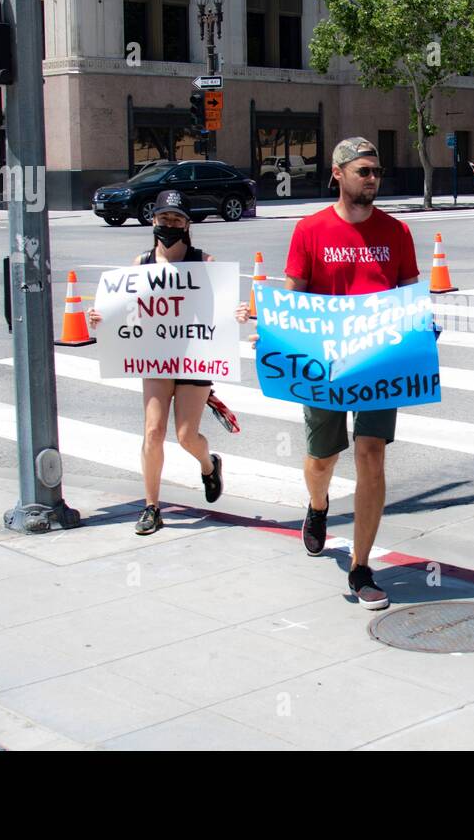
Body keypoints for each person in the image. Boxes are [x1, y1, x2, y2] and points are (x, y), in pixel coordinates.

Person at [238, 137, 419, 610]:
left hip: (379, 362)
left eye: (375, 171)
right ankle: (318, 506)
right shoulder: (310, 230)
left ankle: (360, 567)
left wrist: (422, 331)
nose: (372, 179)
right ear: (337, 174)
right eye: (363, 171)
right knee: (322, 458)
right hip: (324, 361)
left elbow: (409, 297)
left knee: (371, 454)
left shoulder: (397, 233)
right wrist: (273, 334)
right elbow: (293, 297)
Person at [87, 190, 225, 535]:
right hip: (156, 357)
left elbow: (220, 310)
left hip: (194, 357)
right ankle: (151, 506)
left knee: (186, 436)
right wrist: (102, 318)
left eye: (177, 219)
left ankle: (209, 465)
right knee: (153, 431)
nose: (170, 225)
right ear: (153, 220)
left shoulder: (204, 262)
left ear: (187, 224)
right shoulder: (142, 265)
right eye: (164, 218)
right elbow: (129, 313)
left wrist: (237, 312)